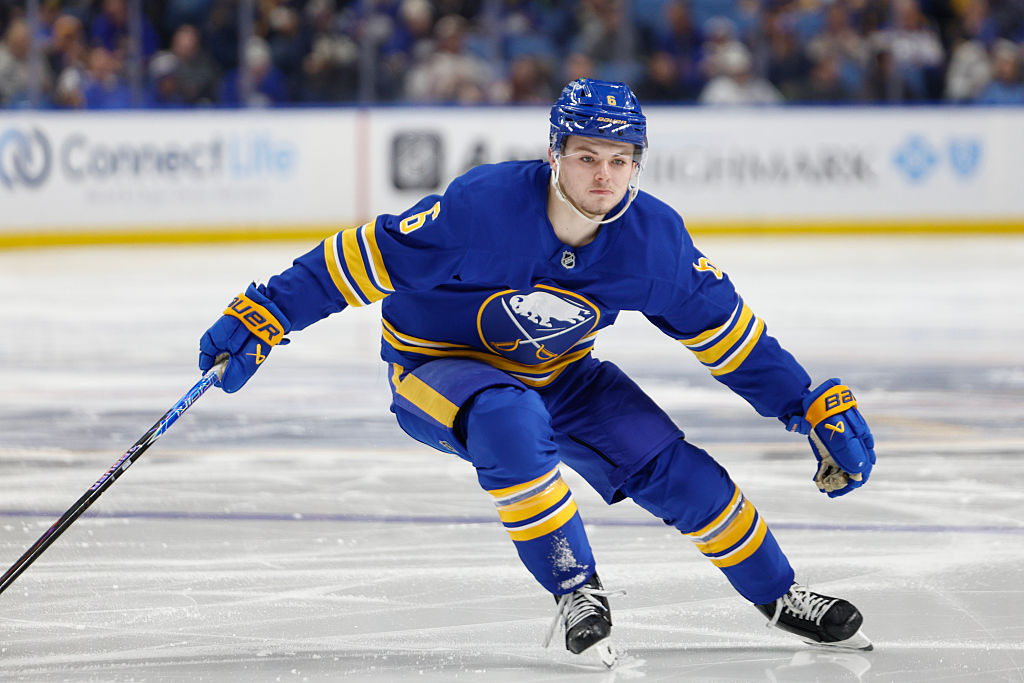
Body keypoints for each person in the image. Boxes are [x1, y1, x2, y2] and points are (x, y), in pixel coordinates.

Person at [198, 78, 876, 666]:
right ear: (555, 154)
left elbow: (732, 338)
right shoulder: (479, 209)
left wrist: (806, 404)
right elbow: (359, 259)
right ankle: (576, 586)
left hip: (563, 372)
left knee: (680, 470)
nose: (603, 176)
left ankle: (780, 594)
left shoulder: (654, 243)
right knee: (507, 418)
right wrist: (266, 313)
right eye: (586, 157)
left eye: (620, 160)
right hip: (438, 368)